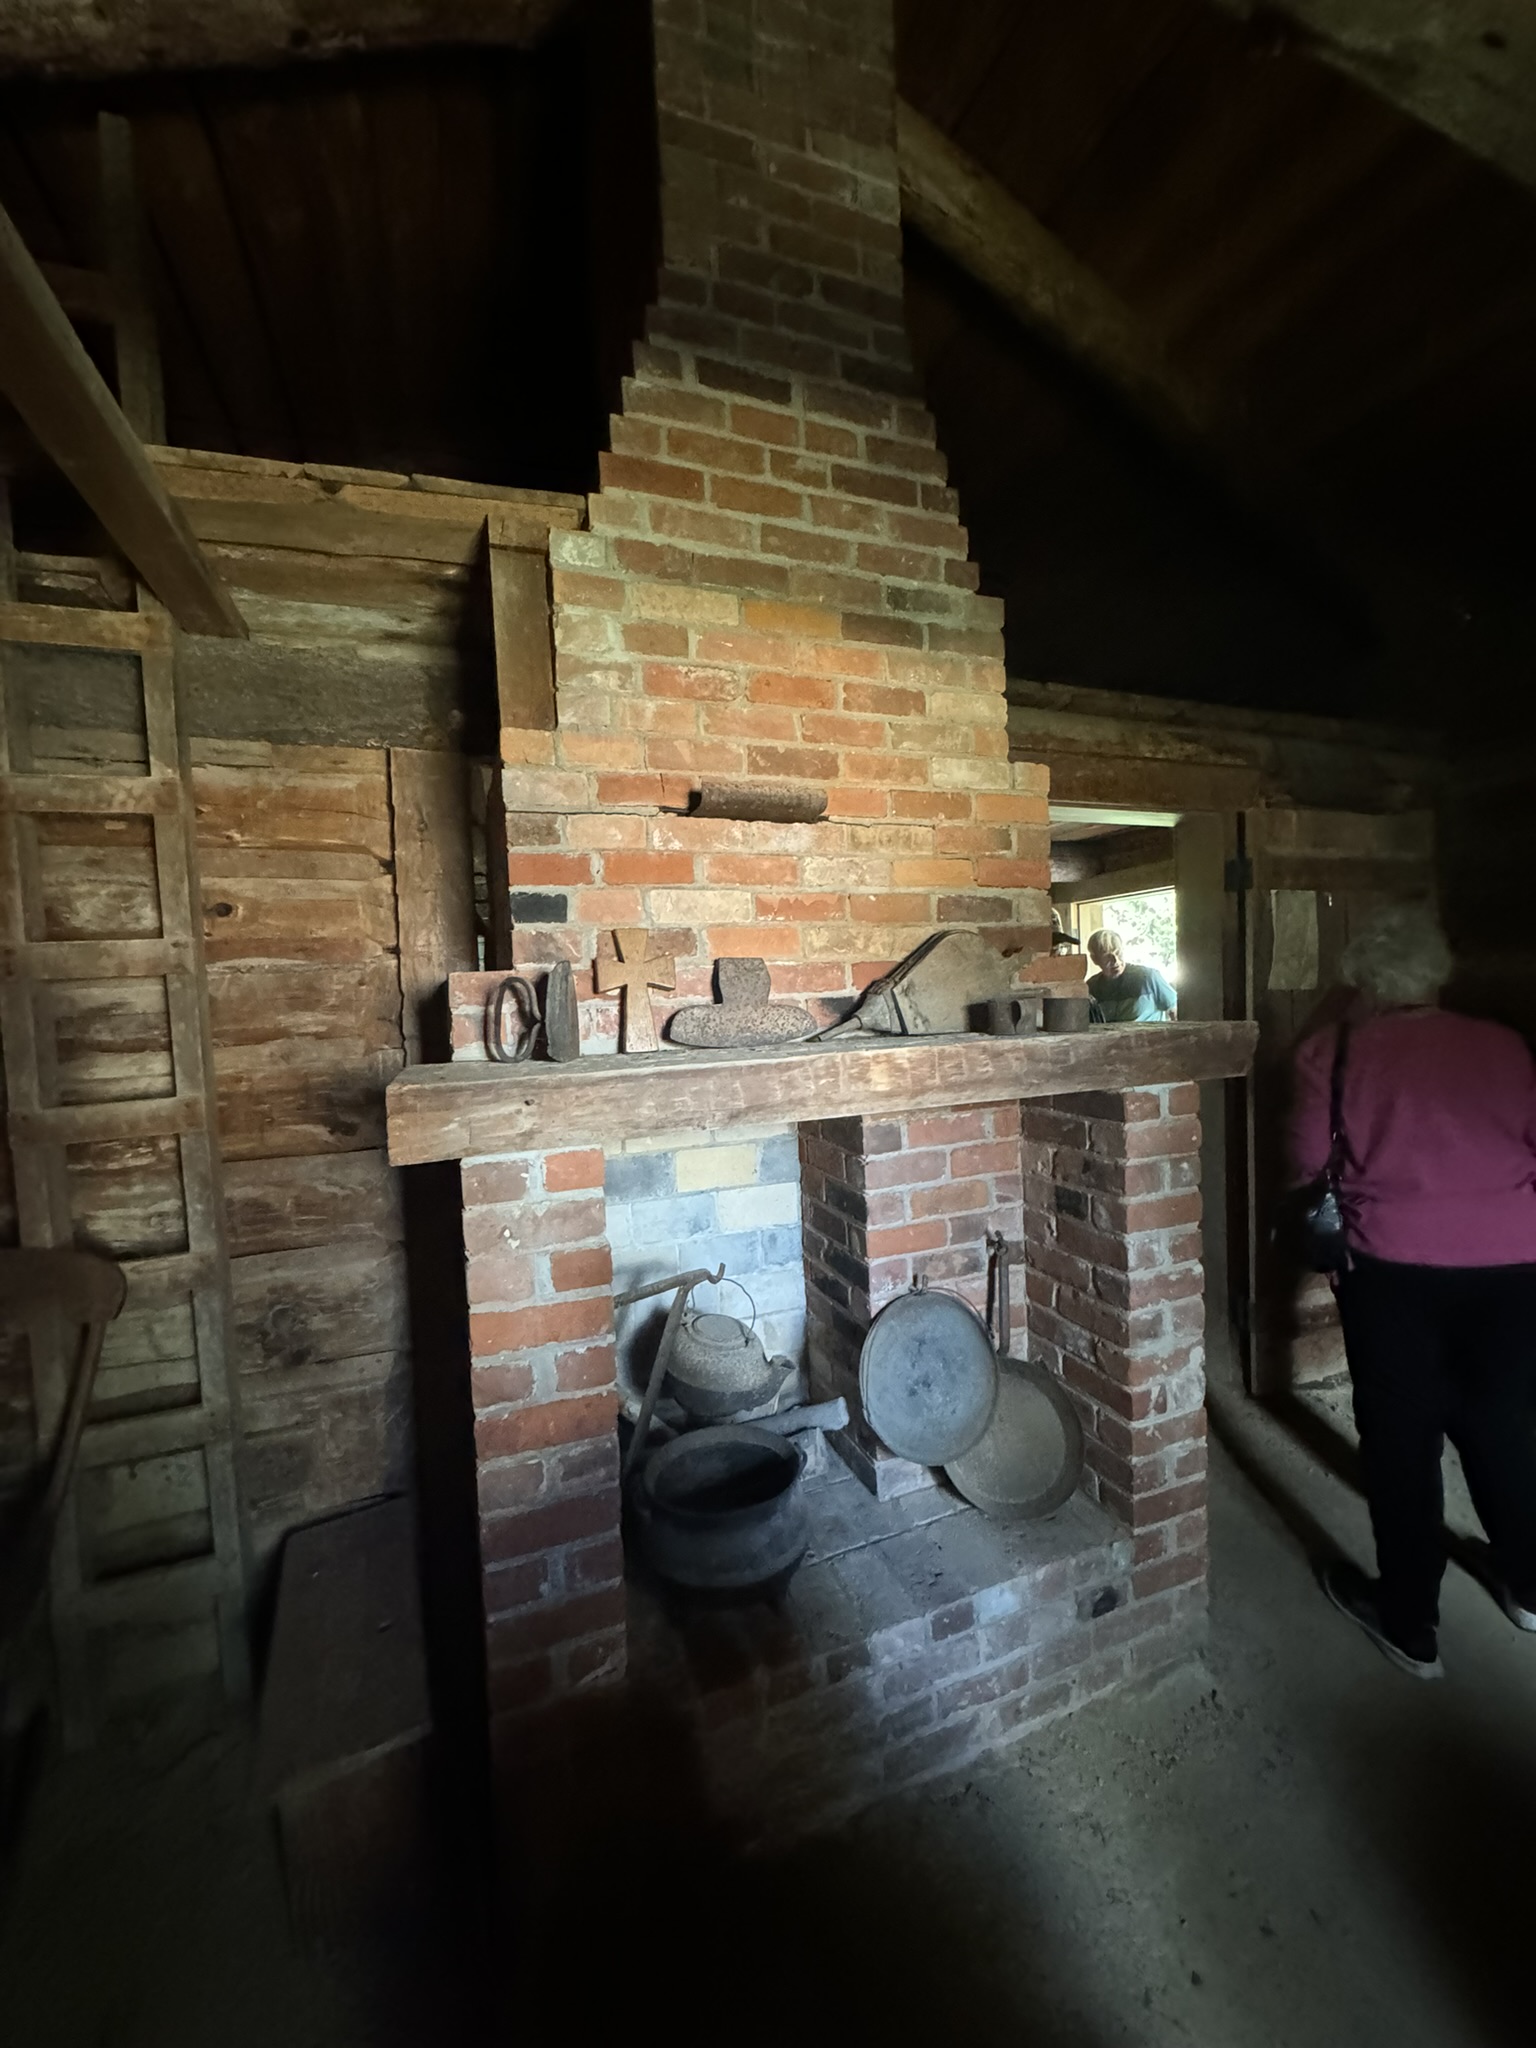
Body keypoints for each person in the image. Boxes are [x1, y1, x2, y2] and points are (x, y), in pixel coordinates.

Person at [1290, 902, 1536, 1679]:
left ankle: (1411, 1625)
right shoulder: (1505, 1046)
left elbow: (1305, 1164)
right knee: (1504, 1424)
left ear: (1363, 978)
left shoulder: (1332, 1052)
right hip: (1515, 1268)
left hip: (1391, 1269)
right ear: (1437, 972)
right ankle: (1529, 1587)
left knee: (1402, 1442)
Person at [1085, 929, 1177, 1022]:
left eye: (1118, 953)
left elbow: (1175, 1012)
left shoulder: (1148, 977)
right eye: (1107, 956)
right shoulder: (1091, 988)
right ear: (1094, 959)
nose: (1116, 961)